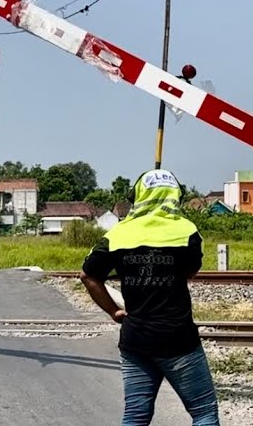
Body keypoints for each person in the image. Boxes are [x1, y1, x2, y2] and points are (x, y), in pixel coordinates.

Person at [80, 169, 219, 426]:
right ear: (175, 196)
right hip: (179, 340)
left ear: (138, 196)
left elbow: (88, 276)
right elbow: (191, 271)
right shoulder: (187, 232)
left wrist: (113, 311)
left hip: (135, 339)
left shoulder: (117, 235)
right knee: (204, 413)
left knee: (136, 415)